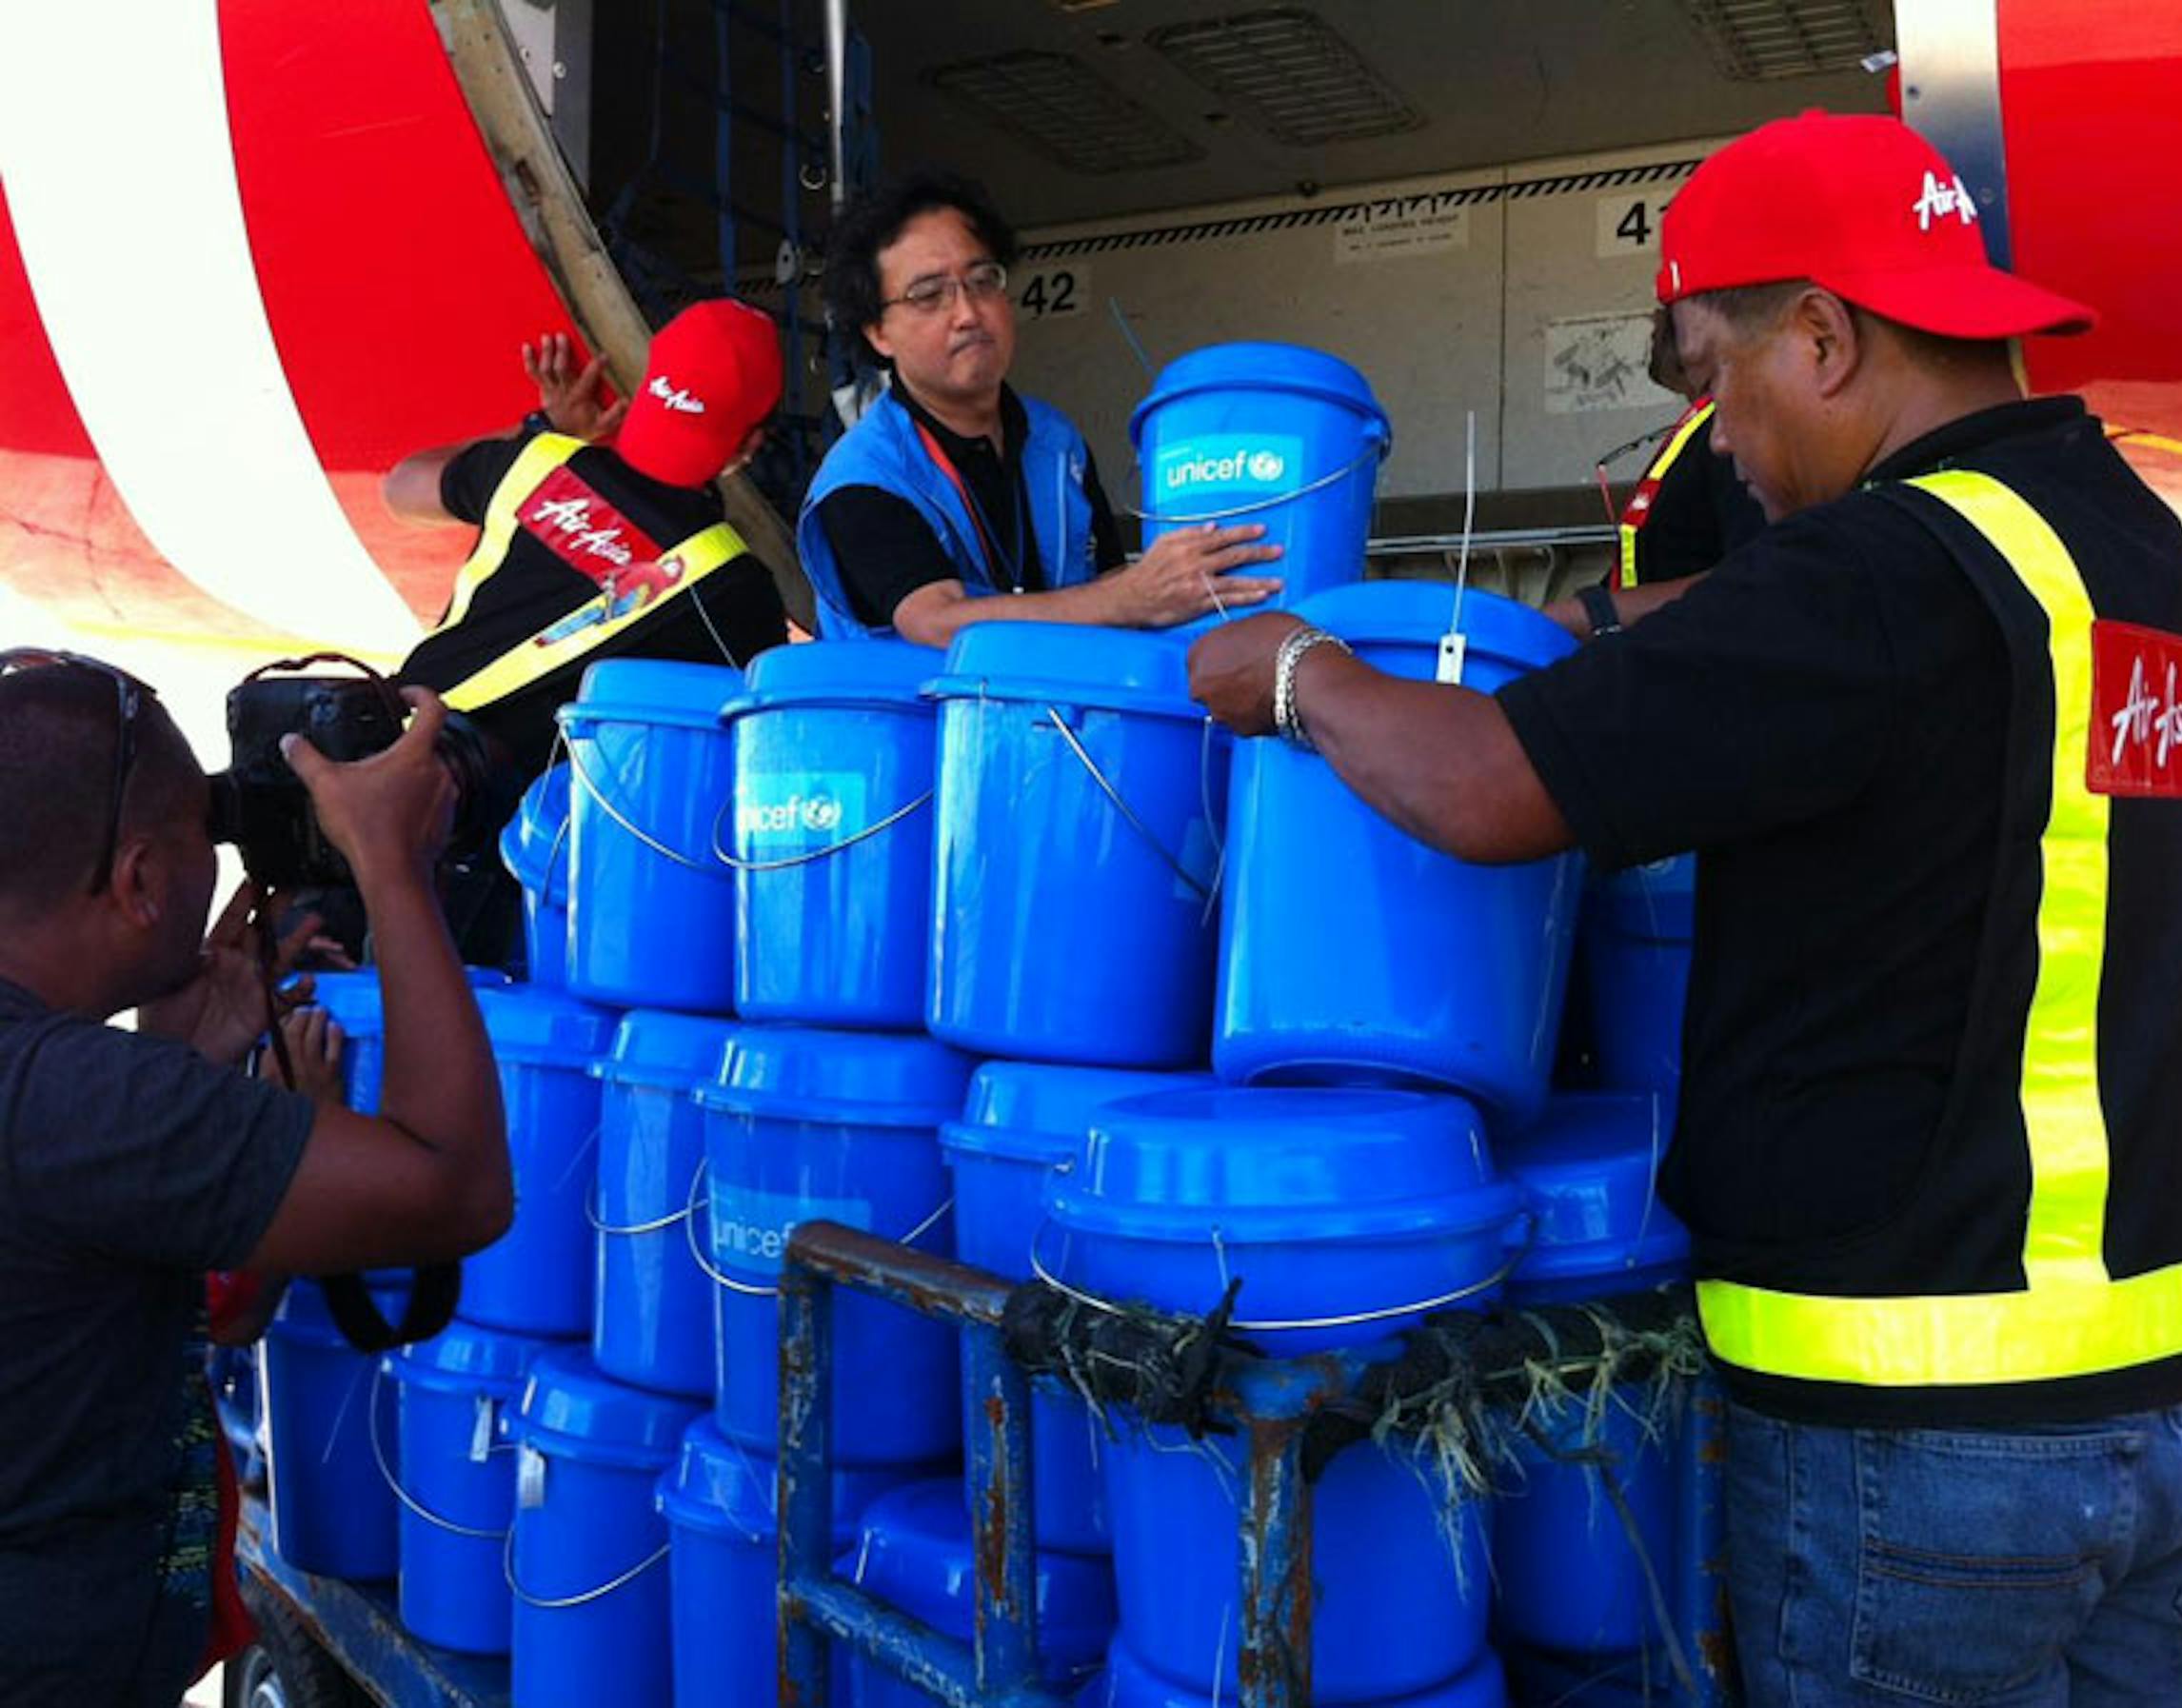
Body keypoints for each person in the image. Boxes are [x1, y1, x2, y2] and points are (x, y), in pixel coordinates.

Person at [1190, 111, 2182, 1704]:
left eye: (1713, 377)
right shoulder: (2133, 555)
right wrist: (1606, 613)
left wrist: (1299, 671)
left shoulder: (1867, 574)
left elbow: (1491, 787)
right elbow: (1820, 650)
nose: (1720, 437)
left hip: (1938, 1426)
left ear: (1824, 338)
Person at [0, 656, 508, 1703]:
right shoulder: (82, 1104)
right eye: (204, 830)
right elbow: (456, 1190)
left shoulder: (79, 1097)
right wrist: (391, 867)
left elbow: (136, 1303)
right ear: (141, 882)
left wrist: (176, 1064)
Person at [801, 170, 1284, 645]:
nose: (968, 313)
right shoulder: (861, 476)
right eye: (929, 296)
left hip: (1058, 719)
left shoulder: (1056, 441)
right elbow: (936, 623)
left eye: (983, 280)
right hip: (909, 724)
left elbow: (1115, 587)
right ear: (877, 333)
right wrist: (1130, 597)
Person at [387, 299, 792, 782]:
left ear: (647, 382)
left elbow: (400, 488)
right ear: (749, 444)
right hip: (509, 829)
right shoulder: (739, 588)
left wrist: (543, 430)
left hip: (389, 735)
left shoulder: (536, 463)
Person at [1604, 304, 1764, 592]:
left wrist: (1598, 611)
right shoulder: (1697, 425)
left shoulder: (1728, 434)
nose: (1652, 328)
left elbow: (1752, 573)